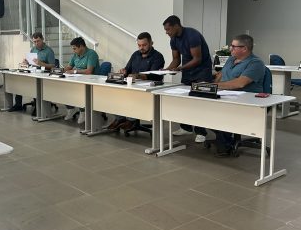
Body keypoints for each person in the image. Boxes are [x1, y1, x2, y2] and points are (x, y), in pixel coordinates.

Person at [212, 34, 266, 156]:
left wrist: (214, 86)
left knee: (218, 114)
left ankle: (226, 144)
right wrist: (210, 86)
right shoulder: (231, 59)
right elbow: (221, 75)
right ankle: (225, 139)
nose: (230, 48)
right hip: (225, 96)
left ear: (244, 48)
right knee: (201, 110)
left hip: (247, 101)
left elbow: (240, 83)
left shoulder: (255, 63)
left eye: (233, 46)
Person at [163, 15, 212, 143]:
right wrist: (167, 69)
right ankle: (186, 128)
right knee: (184, 100)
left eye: (168, 29)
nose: (167, 32)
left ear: (176, 26)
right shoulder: (173, 39)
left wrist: (180, 68)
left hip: (202, 71)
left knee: (199, 101)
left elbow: (197, 59)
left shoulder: (192, 35)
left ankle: (201, 132)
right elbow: (176, 59)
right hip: (188, 71)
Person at [108, 32, 165, 130]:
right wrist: (124, 71)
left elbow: (154, 75)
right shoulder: (135, 54)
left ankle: (131, 121)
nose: (141, 48)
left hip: (149, 89)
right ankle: (120, 119)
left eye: (144, 45)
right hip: (133, 85)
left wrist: (138, 75)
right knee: (116, 92)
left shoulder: (157, 56)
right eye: (139, 45)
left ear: (151, 43)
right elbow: (127, 69)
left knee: (132, 96)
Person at [8, 32, 56, 112]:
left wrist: (41, 63)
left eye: (38, 41)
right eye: (34, 42)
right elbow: (30, 61)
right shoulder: (33, 49)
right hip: (33, 71)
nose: (36, 43)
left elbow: (53, 66)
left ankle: (39, 106)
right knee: (19, 82)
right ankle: (18, 104)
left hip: (44, 74)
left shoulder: (49, 51)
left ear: (42, 39)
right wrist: (26, 62)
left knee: (35, 85)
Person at [64, 37, 100, 124]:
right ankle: (70, 109)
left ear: (81, 46)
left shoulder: (91, 54)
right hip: (77, 78)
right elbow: (69, 67)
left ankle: (83, 112)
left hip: (91, 80)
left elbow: (89, 71)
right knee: (64, 87)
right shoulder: (75, 54)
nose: (73, 50)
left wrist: (74, 71)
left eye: (74, 48)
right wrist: (62, 70)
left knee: (80, 91)